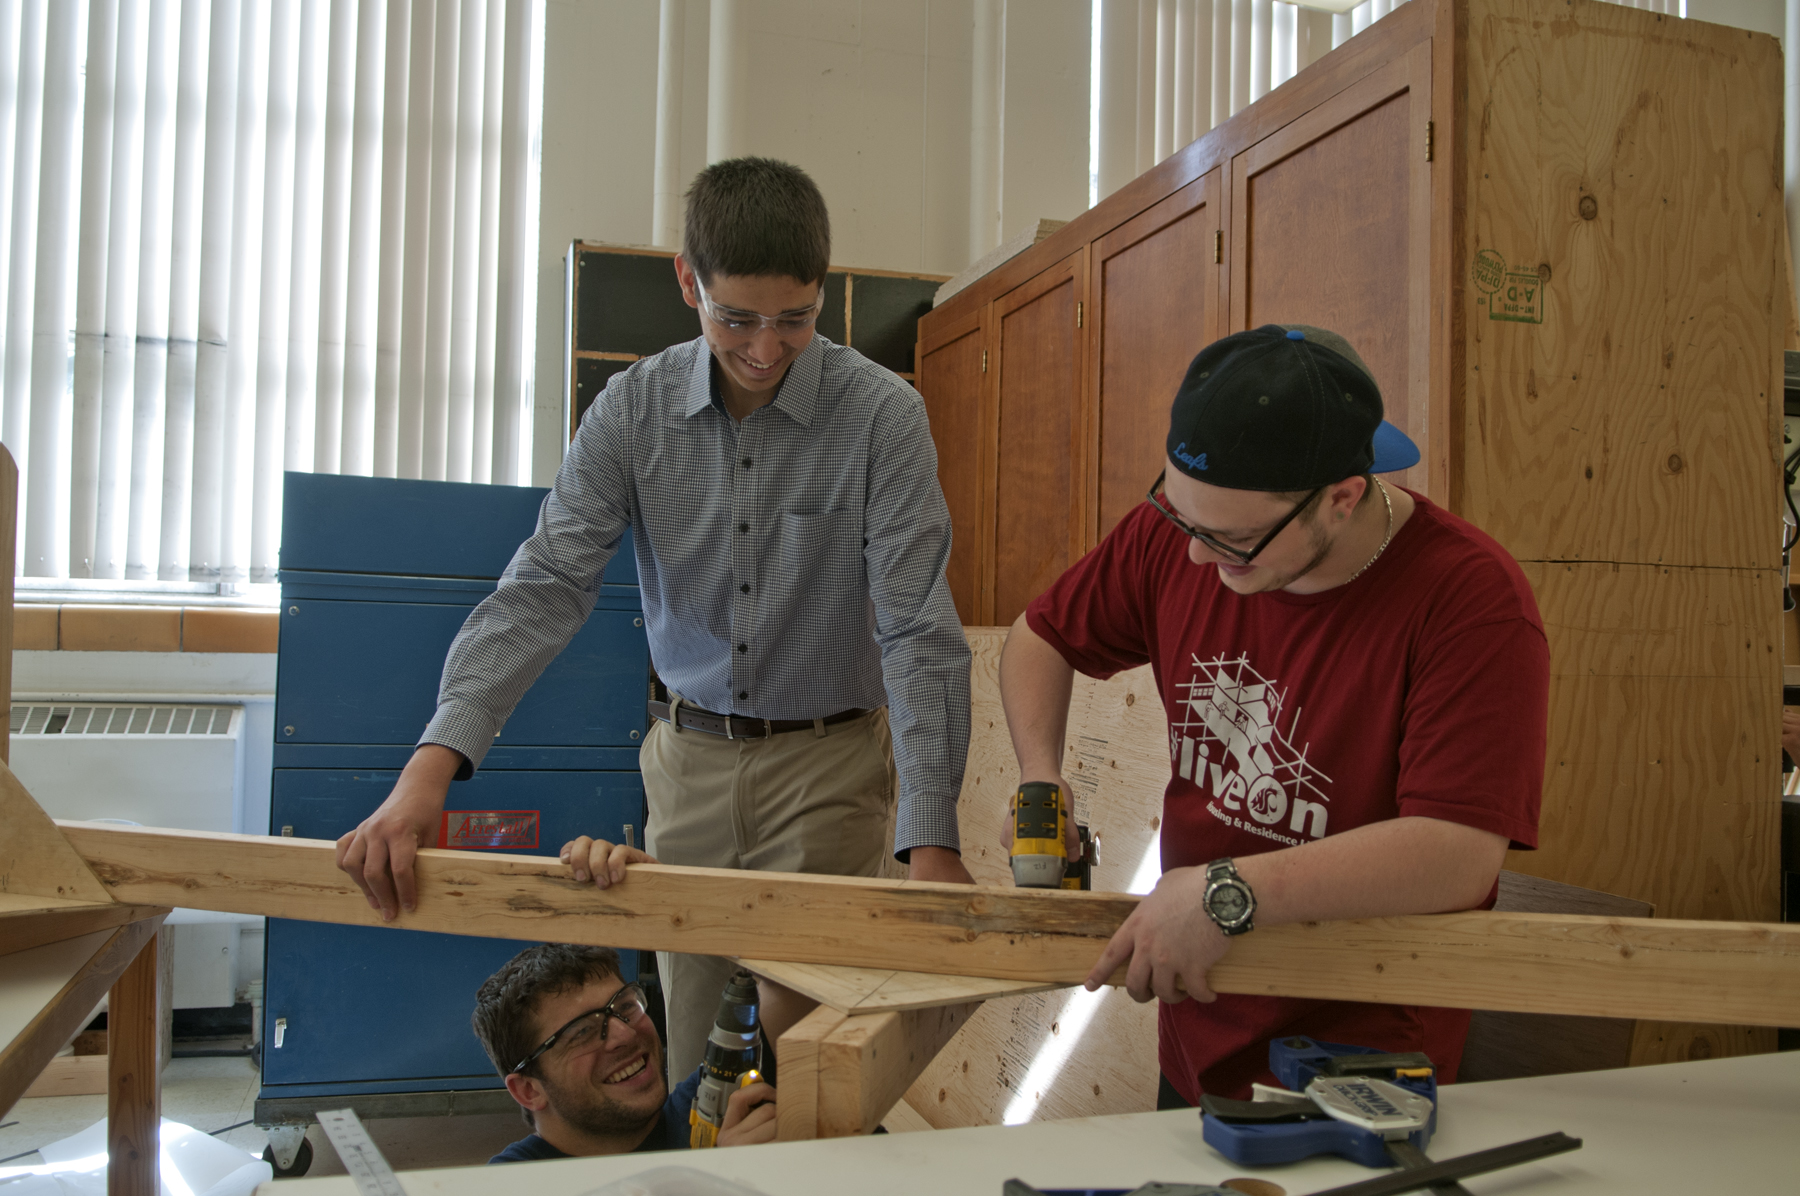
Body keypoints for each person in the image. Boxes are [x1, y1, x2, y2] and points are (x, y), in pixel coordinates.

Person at [335, 157, 974, 1078]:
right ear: (688, 282)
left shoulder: (882, 417)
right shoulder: (632, 411)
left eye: (794, 319)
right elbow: (547, 581)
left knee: (810, 1065)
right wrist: (427, 772)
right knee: (698, 1069)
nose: (765, 348)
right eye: (736, 318)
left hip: (829, 767)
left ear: (822, 293)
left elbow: (917, 629)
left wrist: (933, 838)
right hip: (688, 768)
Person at [999, 324, 1549, 1105]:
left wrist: (1226, 893)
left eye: (1233, 539)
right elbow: (1040, 636)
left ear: (1342, 496)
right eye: (1184, 521)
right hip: (1198, 1020)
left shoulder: (1471, 603)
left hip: (1361, 1057)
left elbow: (1457, 853)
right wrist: (1039, 779)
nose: (1194, 558)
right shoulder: (1185, 532)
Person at [472, 942, 778, 1161]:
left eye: (626, 1006)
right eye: (582, 1032)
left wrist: (654, 884)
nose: (625, 1033)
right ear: (528, 1090)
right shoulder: (510, 1183)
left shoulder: (719, 1103)